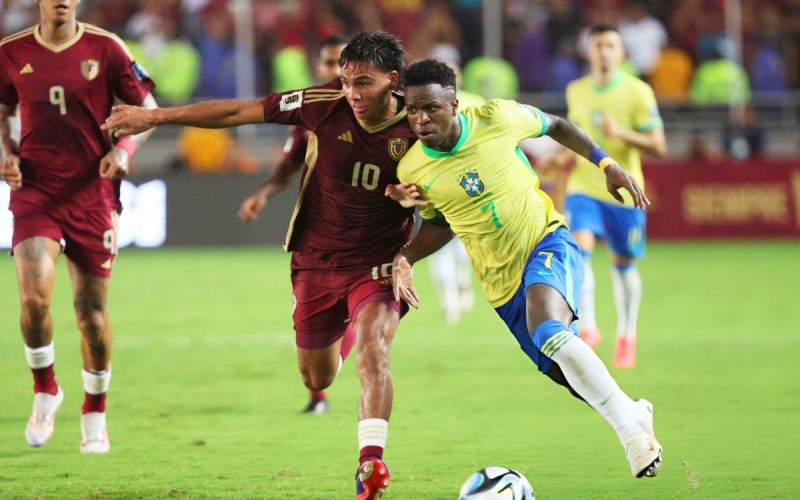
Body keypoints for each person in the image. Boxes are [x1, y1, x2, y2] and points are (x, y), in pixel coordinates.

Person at [103, 31, 417, 500]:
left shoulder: (421, 124)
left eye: (363, 83)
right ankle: (345, 325)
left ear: (393, 81)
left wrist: (417, 218)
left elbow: (453, 186)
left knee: (374, 351)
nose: (350, 92)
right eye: (346, 80)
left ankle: (371, 467)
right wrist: (155, 116)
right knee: (318, 377)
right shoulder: (322, 102)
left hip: (378, 261)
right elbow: (238, 112)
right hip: (316, 257)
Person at [387, 59, 662, 479]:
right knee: (563, 371)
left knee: (549, 329)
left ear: (455, 103)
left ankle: (631, 437)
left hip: (546, 240)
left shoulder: (496, 117)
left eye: (432, 108)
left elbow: (556, 125)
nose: (421, 119)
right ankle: (633, 410)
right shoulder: (412, 168)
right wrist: (405, 257)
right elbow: (442, 223)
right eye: (413, 110)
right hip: (500, 285)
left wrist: (607, 165)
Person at [0, 0, 158, 453]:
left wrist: (124, 152)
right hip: (36, 190)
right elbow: (3, 112)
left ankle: (94, 409)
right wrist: (6, 154)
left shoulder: (105, 48)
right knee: (33, 295)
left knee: (90, 316)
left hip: (93, 192)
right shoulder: (11, 52)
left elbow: (148, 109)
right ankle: (46, 388)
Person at [238, 34, 350, 414]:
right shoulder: (310, 112)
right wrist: (264, 194)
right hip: (316, 235)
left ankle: (331, 398)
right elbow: (289, 164)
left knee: (362, 314)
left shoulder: (374, 110)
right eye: (330, 63)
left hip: (362, 236)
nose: (335, 71)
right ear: (319, 67)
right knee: (311, 324)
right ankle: (319, 390)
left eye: (342, 63)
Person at [557, 25, 666, 367]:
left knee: (623, 266)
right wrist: (556, 159)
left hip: (625, 193)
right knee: (578, 251)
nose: (603, 51)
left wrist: (622, 133)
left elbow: (659, 145)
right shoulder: (576, 90)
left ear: (620, 52)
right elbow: (577, 139)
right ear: (589, 52)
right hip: (584, 187)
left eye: (610, 45)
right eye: (598, 45)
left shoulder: (638, 92)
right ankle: (588, 327)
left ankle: (626, 333)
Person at [426, 60, 483, 326]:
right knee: (438, 244)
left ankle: (461, 283)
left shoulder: (475, 102)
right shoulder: (423, 108)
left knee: (464, 245)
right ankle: (449, 299)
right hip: (437, 182)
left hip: (471, 184)